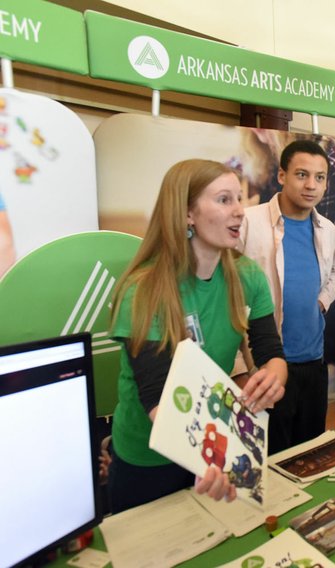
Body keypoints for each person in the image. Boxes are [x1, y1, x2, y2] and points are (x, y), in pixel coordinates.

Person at [107, 159, 287, 513]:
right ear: (187, 213)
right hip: (149, 458)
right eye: (224, 200)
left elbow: (270, 350)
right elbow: (157, 397)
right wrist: (211, 457)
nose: (240, 212)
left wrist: (275, 377)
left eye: (240, 199)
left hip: (212, 445)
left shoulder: (247, 276)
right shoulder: (143, 290)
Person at [239, 140, 335, 454]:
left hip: (312, 363)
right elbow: (228, 292)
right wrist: (239, 369)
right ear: (282, 176)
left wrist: (322, 301)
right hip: (266, 366)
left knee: (310, 454)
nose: (311, 185)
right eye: (302, 174)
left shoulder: (327, 229)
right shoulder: (249, 223)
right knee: (271, 457)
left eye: (320, 177)